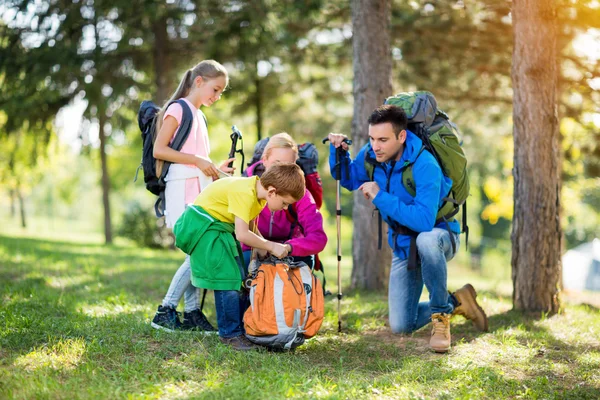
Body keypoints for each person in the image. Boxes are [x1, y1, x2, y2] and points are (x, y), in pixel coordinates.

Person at [327, 104, 488, 353]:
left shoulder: (425, 164)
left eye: (382, 139)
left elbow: (424, 221)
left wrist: (380, 196)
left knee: (425, 240)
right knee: (402, 325)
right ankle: (457, 301)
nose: (375, 145)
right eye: (371, 138)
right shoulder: (372, 155)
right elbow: (348, 178)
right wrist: (338, 153)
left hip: (441, 235)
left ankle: (440, 319)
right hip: (404, 246)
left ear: (401, 136)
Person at [173, 163, 306, 351]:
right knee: (227, 280)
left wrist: (260, 243)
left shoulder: (256, 192)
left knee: (240, 278)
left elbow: (248, 222)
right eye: (285, 203)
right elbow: (242, 235)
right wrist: (271, 245)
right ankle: (230, 335)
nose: (285, 208)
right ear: (272, 192)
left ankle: (241, 328)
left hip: (218, 227)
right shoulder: (245, 192)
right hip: (204, 227)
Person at [150, 60, 235, 333]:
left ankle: (192, 314)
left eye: (221, 92)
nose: (217, 96)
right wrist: (199, 160)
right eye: (215, 89)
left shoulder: (200, 115)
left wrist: (214, 168)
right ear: (198, 81)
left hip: (198, 191)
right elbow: (159, 150)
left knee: (195, 252)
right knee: (197, 252)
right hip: (180, 191)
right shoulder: (179, 109)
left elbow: (195, 159)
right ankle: (165, 310)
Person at [241, 133, 327, 270]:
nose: (282, 171)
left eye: (289, 165)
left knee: (305, 261)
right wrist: (263, 246)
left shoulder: (301, 194)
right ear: (264, 160)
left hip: (288, 251)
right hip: (253, 249)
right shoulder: (246, 186)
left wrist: (289, 247)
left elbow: (318, 237)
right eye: (277, 163)